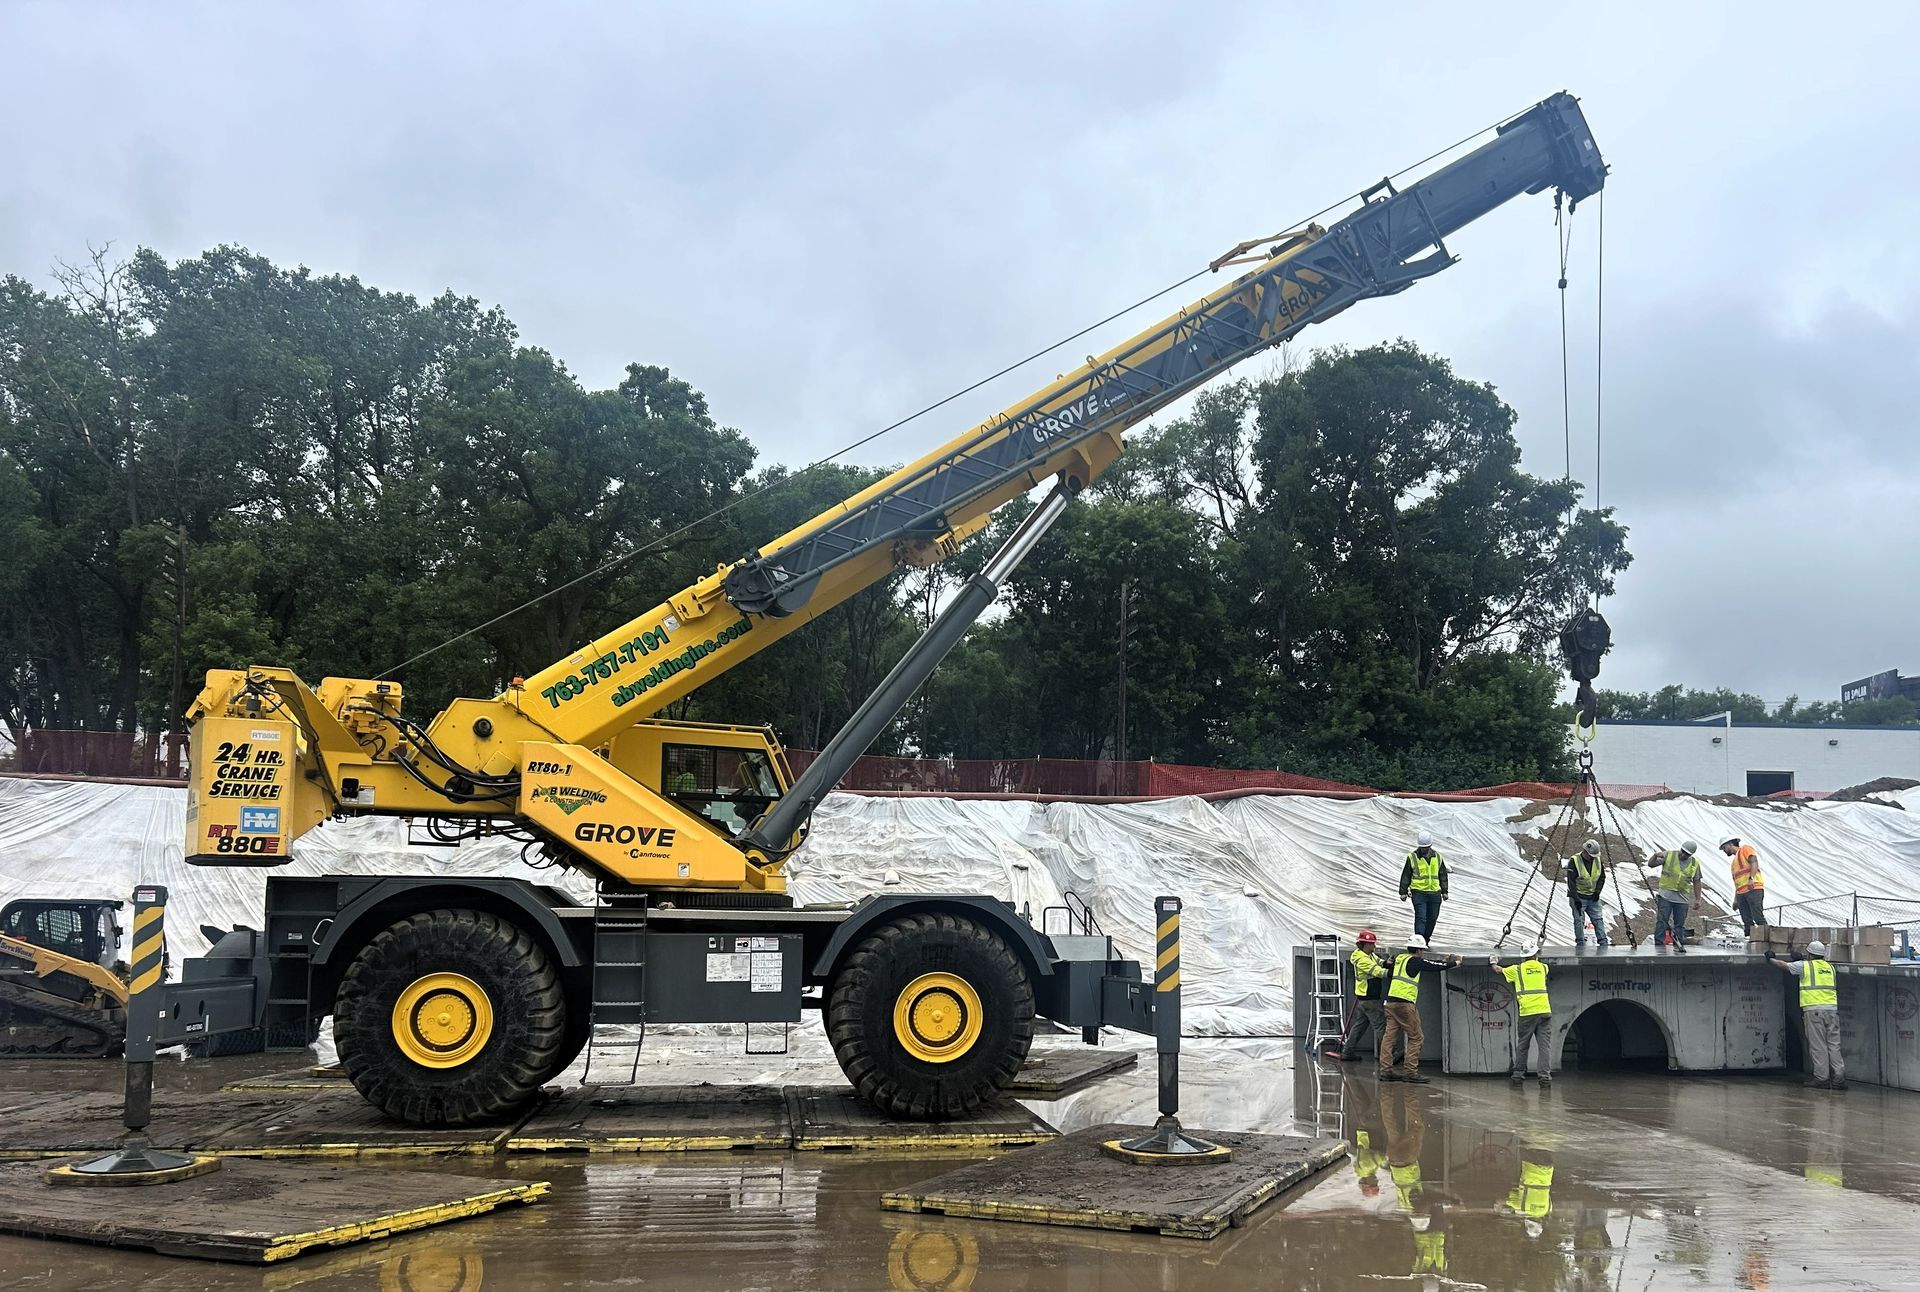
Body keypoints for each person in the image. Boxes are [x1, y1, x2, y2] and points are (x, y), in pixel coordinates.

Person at [1379, 934, 1462, 1084]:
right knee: (1416, 1037)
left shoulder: (1400, 959)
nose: (1423, 953)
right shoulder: (1415, 961)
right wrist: (1455, 962)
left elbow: (1427, 964)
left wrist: (1443, 961)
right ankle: (1410, 1072)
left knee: (1389, 1037)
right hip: (1405, 1004)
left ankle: (1386, 1071)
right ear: (1418, 950)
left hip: (1391, 1003)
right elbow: (1433, 967)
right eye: (1422, 950)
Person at [1768, 940, 1846, 1090]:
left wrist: (1770, 959)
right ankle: (1839, 1079)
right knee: (1834, 1046)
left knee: (1818, 1046)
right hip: (1832, 1011)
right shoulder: (1830, 968)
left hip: (1814, 1010)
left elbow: (1784, 966)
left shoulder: (1805, 966)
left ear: (1809, 954)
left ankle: (1821, 1078)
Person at [1490, 940, 1554, 1086]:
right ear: (1536, 954)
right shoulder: (1544, 967)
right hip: (1544, 1011)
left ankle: (1518, 1076)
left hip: (1527, 1012)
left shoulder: (1517, 970)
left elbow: (1498, 970)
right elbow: (1537, 963)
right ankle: (1544, 1079)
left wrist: (1493, 960)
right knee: (1544, 1046)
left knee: (1523, 1045)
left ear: (1523, 956)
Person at [1335, 929, 1398, 1064]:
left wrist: (1387, 963)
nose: (1374, 946)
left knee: (1359, 1026)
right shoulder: (1362, 959)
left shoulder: (1368, 954)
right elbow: (1376, 971)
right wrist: (1394, 973)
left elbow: (1379, 962)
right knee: (1381, 1025)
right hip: (1369, 997)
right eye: (1372, 944)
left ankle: (1347, 1051)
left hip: (1365, 997)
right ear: (1365, 944)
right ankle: (1390, 1054)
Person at [1640, 842, 1702, 951]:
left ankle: (1677, 945)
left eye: (1686, 854)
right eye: (1682, 852)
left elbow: (1697, 881)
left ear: (1691, 855)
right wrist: (1655, 856)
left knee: (1680, 924)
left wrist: (1698, 899)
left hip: (1682, 899)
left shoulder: (1694, 863)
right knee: (1662, 922)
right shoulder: (1669, 855)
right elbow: (1651, 864)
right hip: (1665, 897)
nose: (1683, 855)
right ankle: (1659, 946)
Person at [1399, 831, 1449, 942]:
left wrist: (1445, 891)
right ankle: (1418, 942)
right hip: (1419, 893)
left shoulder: (1438, 857)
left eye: (1426, 847)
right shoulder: (1412, 857)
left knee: (1432, 919)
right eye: (1423, 847)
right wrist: (1403, 892)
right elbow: (1406, 875)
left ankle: (1425, 940)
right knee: (1421, 917)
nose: (1424, 849)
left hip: (1434, 893)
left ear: (1430, 845)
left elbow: (1442, 875)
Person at [1567, 840, 1610, 950]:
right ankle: (1580, 944)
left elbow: (1601, 877)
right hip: (1578, 896)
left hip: (1592, 896)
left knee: (1598, 919)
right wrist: (1576, 899)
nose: (1592, 858)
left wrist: (1597, 892)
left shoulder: (1597, 860)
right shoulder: (1575, 861)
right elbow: (1571, 882)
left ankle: (1603, 943)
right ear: (1585, 852)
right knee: (1579, 920)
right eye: (1590, 856)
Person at [1721, 837, 1767, 935]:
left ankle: (1768, 939)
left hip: (1753, 889)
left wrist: (1751, 879)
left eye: (1724, 848)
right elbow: (1737, 883)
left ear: (1730, 844)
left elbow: (1754, 862)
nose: (1724, 851)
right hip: (1741, 893)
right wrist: (1736, 899)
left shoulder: (1745, 849)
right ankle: (1750, 940)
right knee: (1747, 920)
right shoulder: (1734, 863)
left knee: (1758, 917)